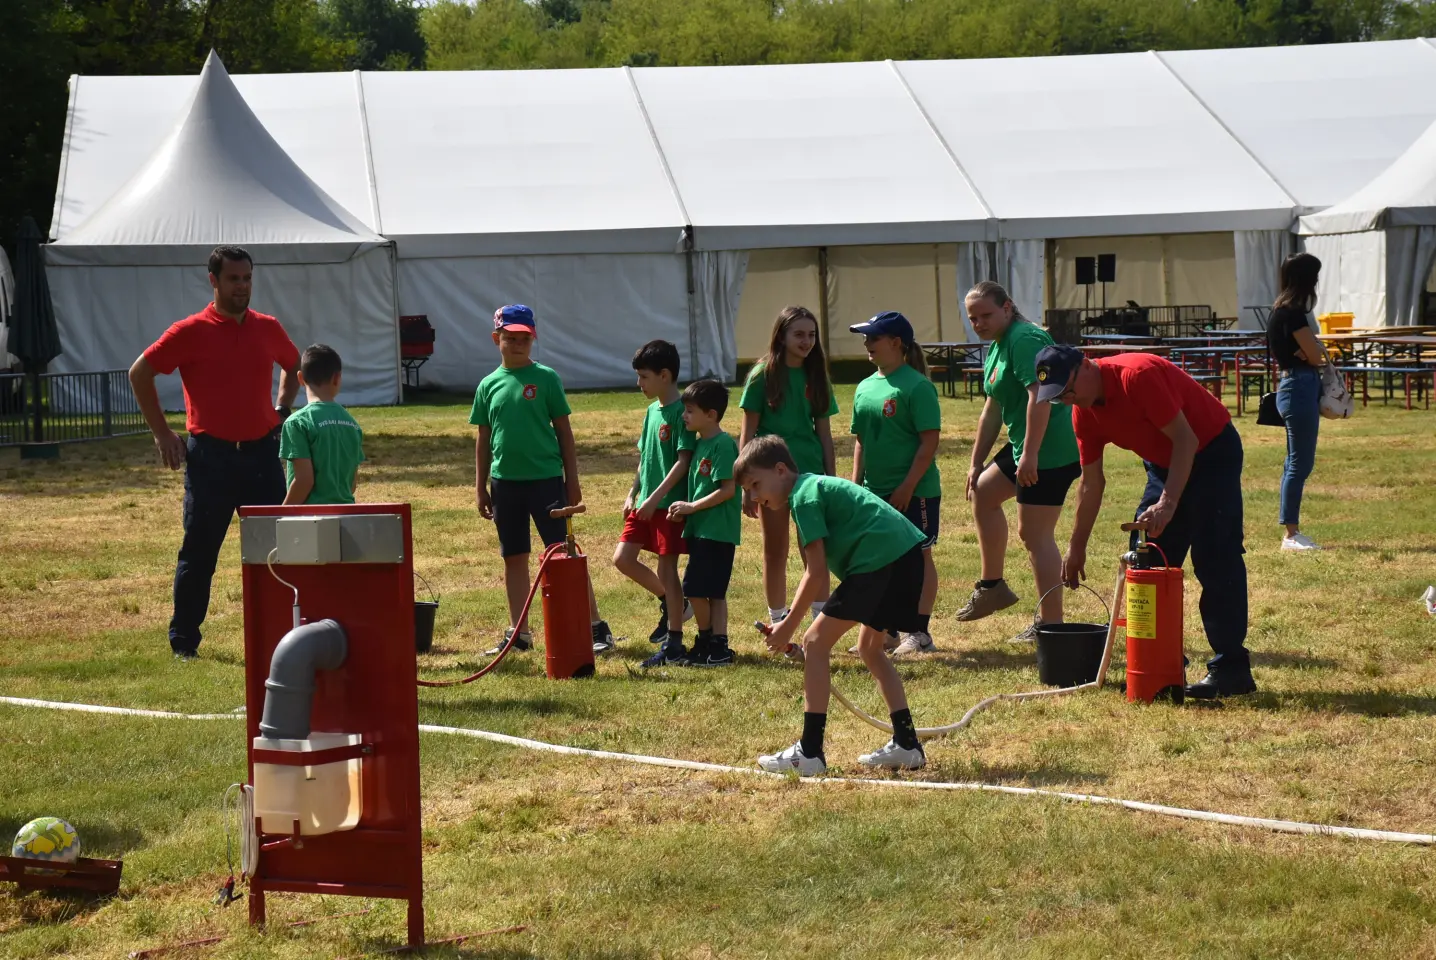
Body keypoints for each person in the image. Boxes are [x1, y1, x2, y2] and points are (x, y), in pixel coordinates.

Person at [1037, 344, 1256, 699]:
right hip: (1163, 463)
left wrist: (1168, 503)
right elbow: (1091, 483)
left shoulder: (1137, 377)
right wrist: (1076, 548)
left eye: (1070, 389)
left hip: (1210, 452)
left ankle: (1231, 671)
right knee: (1148, 559)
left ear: (1088, 365)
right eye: (1060, 397)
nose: (1070, 400)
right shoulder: (1083, 413)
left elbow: (1187, 439)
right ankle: (1161, 666)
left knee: (1216, 557)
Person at [128, 246, 300, 660]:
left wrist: (281, 409)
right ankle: (184, 643)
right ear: (214, 280)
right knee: (200, 552)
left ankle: (282, 637)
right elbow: (140, 373)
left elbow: (294, 366)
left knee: (278, 549)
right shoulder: (190, 331)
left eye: (247, 279)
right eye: (233, 279)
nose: (242, 287)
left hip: (261, 456)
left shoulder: (267, 326)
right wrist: (161, 434)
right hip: (210, 459)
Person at [740, 436, 928, 775]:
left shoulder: (804, 497)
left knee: (814, 643)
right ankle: (907, 744)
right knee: (870, 648)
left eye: (756, 484)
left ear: (781, 470)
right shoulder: (812, 487)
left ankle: (809, 752)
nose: (754, 497)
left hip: (880, 561)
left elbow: (815, 574)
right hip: (905, 557)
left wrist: (787, 625)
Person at [471, 305, 614, 656]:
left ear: (533, 339)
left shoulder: (547, 378)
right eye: (510, 338)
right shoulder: (488, 385)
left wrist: (573, 481)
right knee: (514, 556)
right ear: (496, 339)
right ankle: (519, 633)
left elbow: (564, 432)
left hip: (547, 481)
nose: (518, 344)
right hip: (505, 484)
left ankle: (594, 626)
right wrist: (480, 486)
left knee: (564, 554)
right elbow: (483, 438)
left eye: (525, 339)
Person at [962, 282, 1082, 641]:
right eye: (973, 318)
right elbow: (993, 407)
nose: (979, 323)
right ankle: (992, 585)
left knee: (1035, 536)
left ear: (1007, 308)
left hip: (1051, 452)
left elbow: (1040, 398)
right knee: (982, 492)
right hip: (1026, 447)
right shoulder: (999, 345)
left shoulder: (1024, 339)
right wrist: (975, 462)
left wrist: (1029, 456)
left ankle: (1052, 625)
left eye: (986, 315)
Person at [846, 310, 942, 657]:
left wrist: (907, 487)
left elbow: (928, 443)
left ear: (896, 343)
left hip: (914, 492)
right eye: (866, 337)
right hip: (876, 491)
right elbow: (861, 442)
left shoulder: (917, 386)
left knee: (917, 559)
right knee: (880, 562)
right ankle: (885, 633)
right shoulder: (865, 387)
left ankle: (919, 632)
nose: (867, 343)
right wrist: (856, 488)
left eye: (874, 337)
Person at [738, 306, 837, 639]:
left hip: (809, 473)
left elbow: (824, 433)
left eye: (811, 335)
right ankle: (777, 621)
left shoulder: (817, 375)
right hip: (769, 476)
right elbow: (747, 433)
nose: (806, 341)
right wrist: (746, 487)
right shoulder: (762, 375)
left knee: (814, 549)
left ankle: (820, 622)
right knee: (774, 548)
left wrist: (830, 478)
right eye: (799, 334)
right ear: (780, 335)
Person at [614, 340, 696, 667]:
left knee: (667, 568)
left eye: (643, 377)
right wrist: (632, 494)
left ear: (665, 375)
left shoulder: (683, 413)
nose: (638, 384)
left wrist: (655, 499)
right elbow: (644, 458)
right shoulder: (651, 412)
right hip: (646, 501)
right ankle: (674, 603)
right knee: (623, 558)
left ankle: (674, 641)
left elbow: (683, 462)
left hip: (668, 505)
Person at [666, 379, 741, 667]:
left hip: (717, 530)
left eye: (689, 411)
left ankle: (709, 640)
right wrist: (684, 511)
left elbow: (727, 489)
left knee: (697, 590)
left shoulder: (722, 444)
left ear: (711, 415)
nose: (684, 416)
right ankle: (716, 646)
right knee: (711, 591)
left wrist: (692, 507)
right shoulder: (699, 445)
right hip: (702, 529)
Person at [1268, 252, 1328, 552]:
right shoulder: (1293, 313)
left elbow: (1309, 352)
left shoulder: (1279, 310)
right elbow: (1317, 355)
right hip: (1299, 387)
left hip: (1292, 385)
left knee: (1295, 462)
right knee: (1299, 464)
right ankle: (1291, 534)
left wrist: (1309, 351)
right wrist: (1312, 351)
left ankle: (1291, 530)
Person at [279, 344, 365, 506]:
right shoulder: (352, 424)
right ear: (337, 378)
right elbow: (351, 485)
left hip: (310, 518)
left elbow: (304, 481)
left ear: (300, 378)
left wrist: (282, 514)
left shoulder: (296, 423)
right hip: (347, 514)